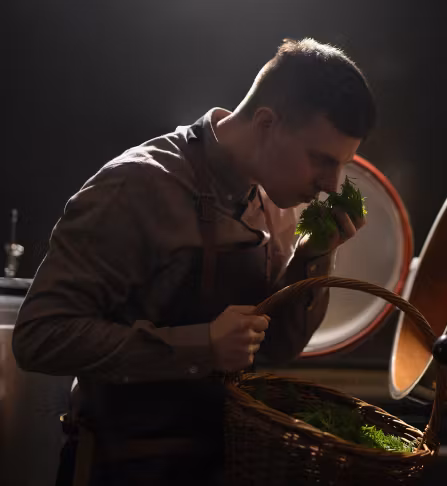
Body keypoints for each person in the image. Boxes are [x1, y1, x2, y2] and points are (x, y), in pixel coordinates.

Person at [12, 37, 376, 485]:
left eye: (343, 166)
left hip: (222, 468)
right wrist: (200, 346)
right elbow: (39, 337)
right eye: (321, 160)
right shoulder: (137, 186)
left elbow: (277, 350)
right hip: (121, 468)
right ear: (267, 123)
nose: (332, 185)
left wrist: (311, 259)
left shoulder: (278, 205)